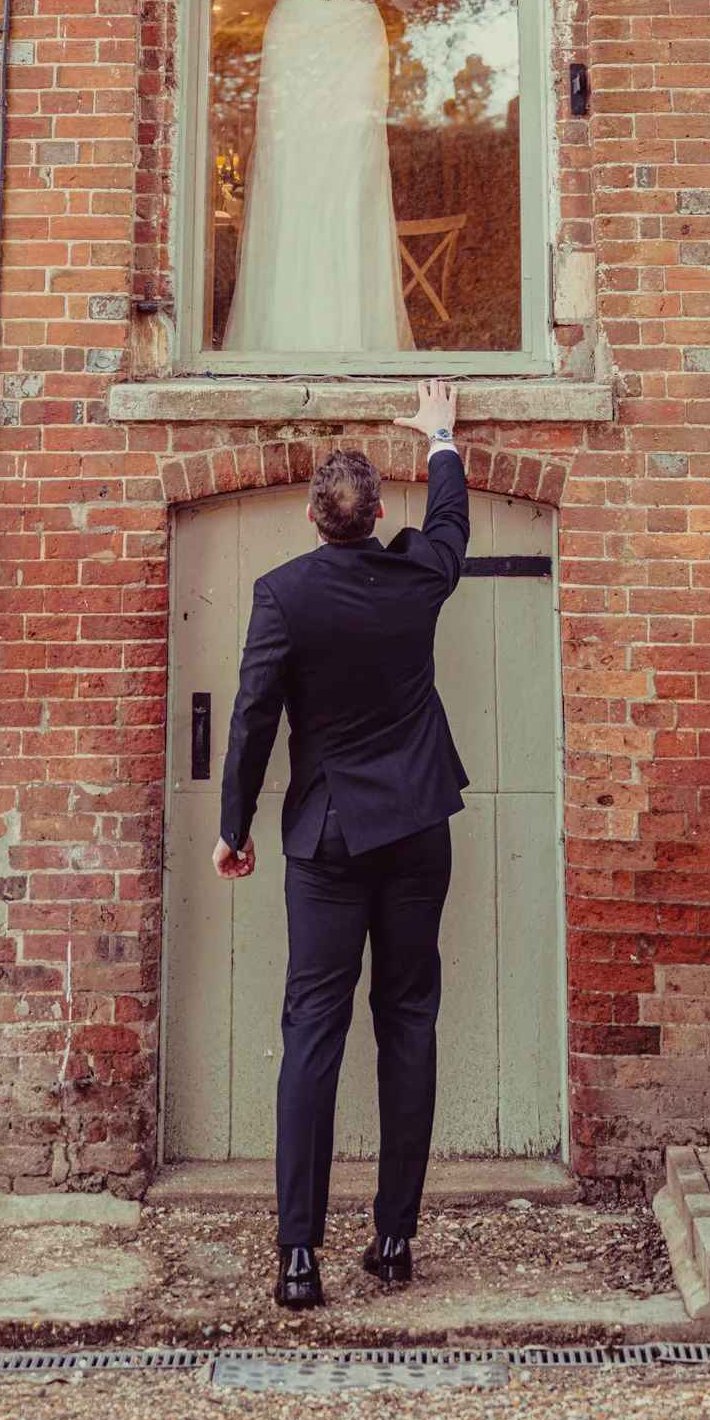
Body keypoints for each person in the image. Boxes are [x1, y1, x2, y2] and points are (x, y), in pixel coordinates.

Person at [213, 380, 469, 1309]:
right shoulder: (419, 577)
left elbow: (252, 718)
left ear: (314, 518)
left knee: (312, 1034)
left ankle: (298, 1259)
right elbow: (450, 527)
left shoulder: (284, 593)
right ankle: (395, 1241)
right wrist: (441, 436)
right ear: (376, 516)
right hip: (416, 833)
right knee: (408, 1023)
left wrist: (235, 827)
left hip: (325, 842)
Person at [217, 0, 446, 354]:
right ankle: (282, 335)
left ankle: (352, 335)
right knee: (291, 173)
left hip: (355, 44)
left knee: (350, 174)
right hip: (294, 41)